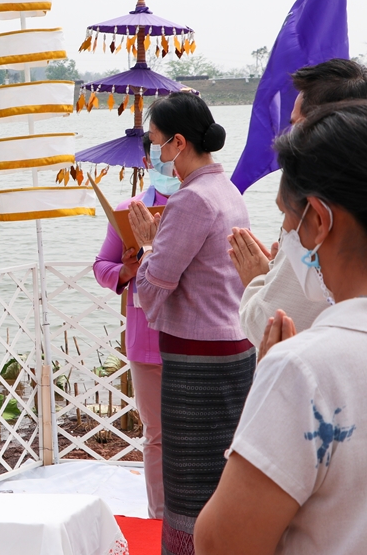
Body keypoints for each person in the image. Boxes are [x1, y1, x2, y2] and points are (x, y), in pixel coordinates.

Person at [195, 101, 367, 555]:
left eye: (289, 219)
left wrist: (269, 385)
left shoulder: (303, 370)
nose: (286, 234)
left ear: (318, 220)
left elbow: (220, 543)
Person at [128, 92, 253, 555]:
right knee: (226, 473)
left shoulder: (191, 200)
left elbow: (154, 288)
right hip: (234, 344)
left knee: (191, 484)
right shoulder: (227, 191)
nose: (154, 153)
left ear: (179, 143)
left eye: (156, 142)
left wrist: (146, 247)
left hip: (199, 359)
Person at [228, 59, 367, 347]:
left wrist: (258, 280)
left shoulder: (323, 215)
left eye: (296, 127)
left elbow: (269, 321)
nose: (289, 139)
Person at [93, 132, 176, 519]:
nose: (166, 162)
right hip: (146, 337)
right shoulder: (128, 210)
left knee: (200, 436)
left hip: (194, 331)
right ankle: (159, 517)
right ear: (146, 163)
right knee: (156, 436)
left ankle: (203, 518)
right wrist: (126, 269)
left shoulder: (198, 206)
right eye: (156, 155)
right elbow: (101, 266)